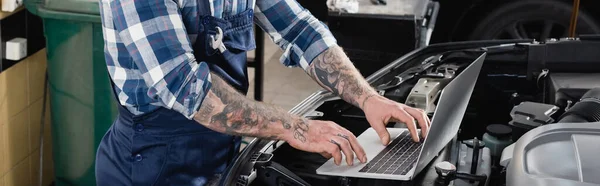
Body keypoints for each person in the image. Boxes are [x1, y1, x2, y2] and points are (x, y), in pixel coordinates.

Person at [95, 0, 430, 185]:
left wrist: (367, 97)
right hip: (152, 166)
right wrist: (296, 128)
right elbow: (187, 88)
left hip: (221, 151)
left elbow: (300, 29)